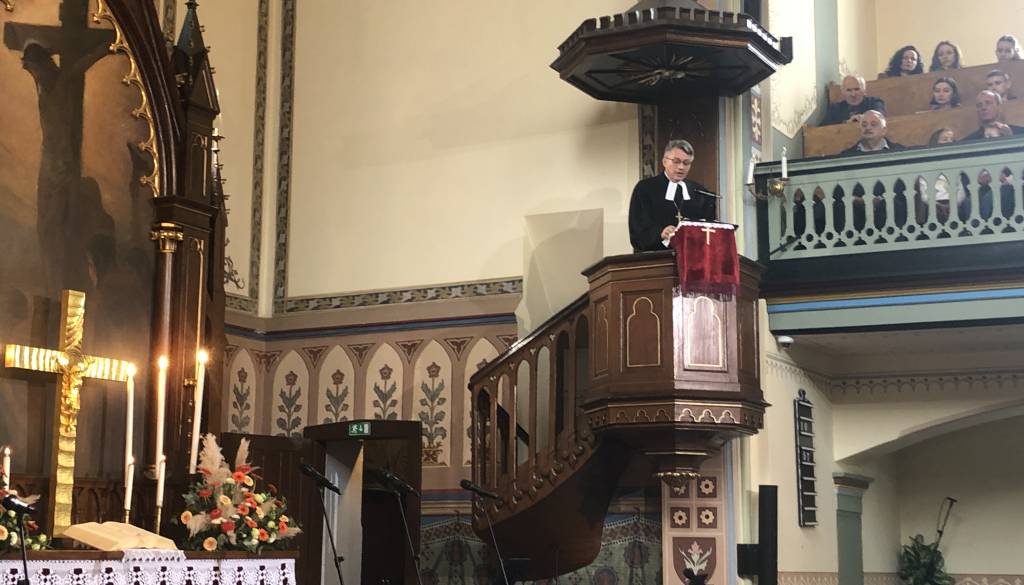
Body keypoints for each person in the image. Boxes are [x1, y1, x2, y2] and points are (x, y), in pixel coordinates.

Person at [628, 139, 717, 252]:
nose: (681, 167)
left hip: (692, 256)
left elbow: (709, 230)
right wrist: (660, 233)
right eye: (676, 161)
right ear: (664, 161)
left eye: (686, 163)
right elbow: (637, 227)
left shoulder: (699, 192)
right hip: (657, 256)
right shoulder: (645, 188)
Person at [821, 75, 886, 126]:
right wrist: (846, 123)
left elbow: (879, 119)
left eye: (857, 89)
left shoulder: (875, 102)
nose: (853, 94)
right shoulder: (835, 108)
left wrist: (864, 119)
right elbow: (822, 128)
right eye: (849, 90)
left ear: (864, 90)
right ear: (843, 92)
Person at [840, 110, 906, 155]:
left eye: (873, 124)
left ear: (884, 130)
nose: (868, 128)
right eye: (864, 125)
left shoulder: (901, 152)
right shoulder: (846, 155)